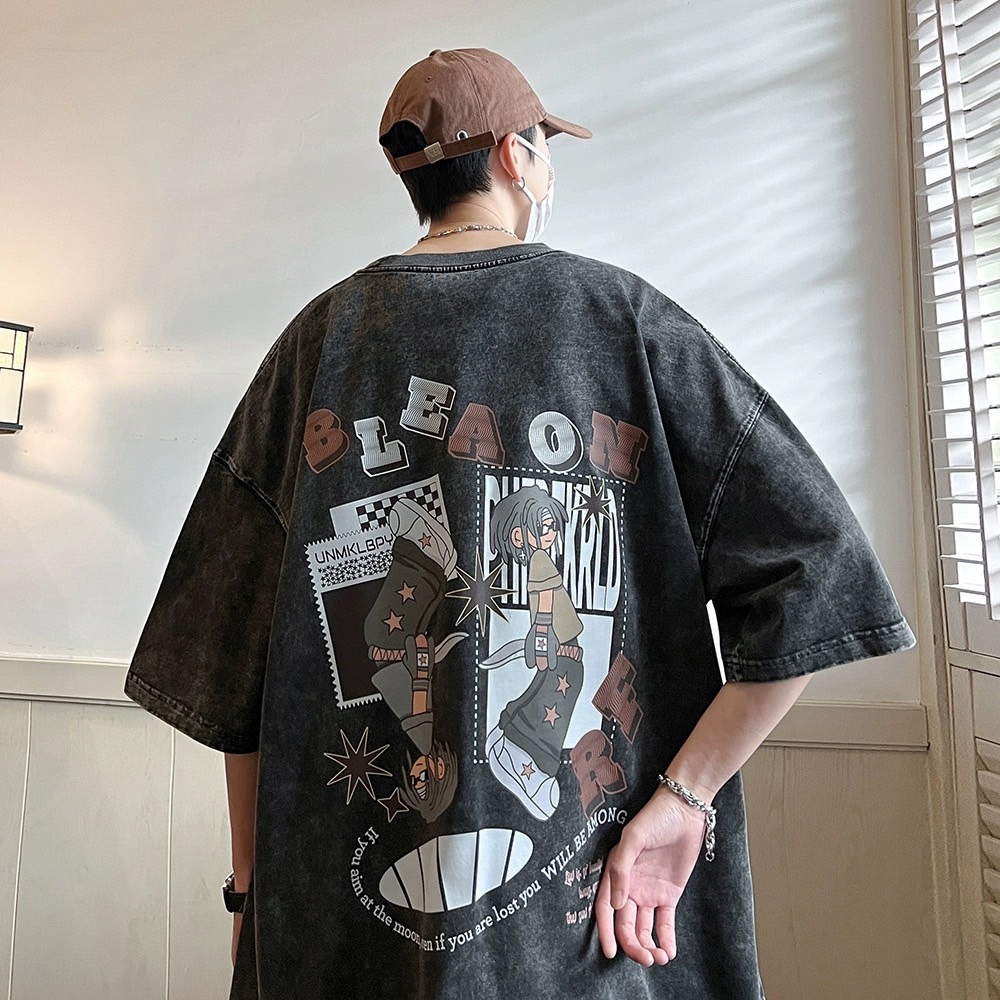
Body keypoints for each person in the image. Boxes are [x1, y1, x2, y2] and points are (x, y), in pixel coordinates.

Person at [123, 46, 917, 1000]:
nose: (548, 172)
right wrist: (685, 797)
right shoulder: (626, 322)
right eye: (545, 148)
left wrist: (250, 890)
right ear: (513, 154)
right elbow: (817, 567)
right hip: (602, 917)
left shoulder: (318, 344)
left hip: (352, 936)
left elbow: (230, 661)